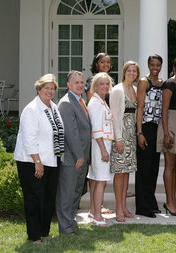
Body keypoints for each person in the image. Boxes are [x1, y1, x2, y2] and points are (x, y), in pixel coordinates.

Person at [14, 74, 64, 244]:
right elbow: (29, 138)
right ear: (39, 89)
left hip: (51, 159)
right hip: (31, 161)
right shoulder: (31, 109)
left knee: (48, 198)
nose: (50, 91)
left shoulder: (53, 107)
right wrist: (37, 162)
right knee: (34, 199)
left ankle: (44, 232)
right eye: (46, 88)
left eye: (52, 88)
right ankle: (34, 236)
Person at [56, 70, 91, 234]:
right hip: (72, 157)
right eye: (76, 82)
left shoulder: (81, 100)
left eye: (82, 82)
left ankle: (70, 219)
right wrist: (79, 155)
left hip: (82, 156)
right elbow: (71, 133)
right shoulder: (66, 103)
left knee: (77, 191)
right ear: (68, 85)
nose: (80, 85)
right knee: (67, 192)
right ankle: (64, 225)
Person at [156, 57, 176, 216]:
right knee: (169, 165)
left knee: (175, 166)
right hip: (169, 125)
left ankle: (173, 201)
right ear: (174, 68)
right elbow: (164, 109)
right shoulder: (169, 84)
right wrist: (166, 132)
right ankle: (169, 203)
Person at [110, 61, 139, 222]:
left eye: (135, 71)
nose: (132, 73)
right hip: (120, 136)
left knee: (127, 172)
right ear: (124, 72)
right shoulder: (117, 90)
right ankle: (118, 209)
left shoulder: (134, 89)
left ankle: (124, 206)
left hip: (131, 136)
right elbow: (114, 116)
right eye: (129, 70)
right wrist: (118, 138)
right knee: (120, 173)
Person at [135, 54, 163, 218]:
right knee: (144, 168)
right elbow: (140, 108)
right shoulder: (144, 82)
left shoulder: (161, 82)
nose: (155, 68)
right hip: (145, 127)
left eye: (158, 65)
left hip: (157, 129)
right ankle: (142, 207)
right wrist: (140, 132)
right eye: (152, 64)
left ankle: (151, 202)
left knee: (153, 168)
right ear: (148, 65)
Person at [87, 72, 115, 226]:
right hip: (100, 145)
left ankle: (93, 210)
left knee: (98, 179)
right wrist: (103, 150)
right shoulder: (96, 103)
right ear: (95, 86)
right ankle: (97, 216)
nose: (104, 86)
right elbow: (96, 129)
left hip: (104, 144)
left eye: (106, 84)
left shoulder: (102, 101)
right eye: (101, 84)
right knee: (100, 181)